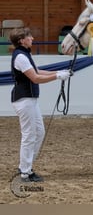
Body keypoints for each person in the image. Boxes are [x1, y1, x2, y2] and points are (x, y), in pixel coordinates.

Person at [10, 27, 72, 182]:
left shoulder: (25, 54)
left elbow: (37, 71)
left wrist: (59, 72)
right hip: (24, 100)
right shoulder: (20, 57)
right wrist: (57, 76)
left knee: (39, 132)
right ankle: (25, 172)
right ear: (21, 40)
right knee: (29, 135)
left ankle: (26, 165)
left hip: (30, 100)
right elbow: (35, 78)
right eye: (28, 36)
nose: (32, 38)